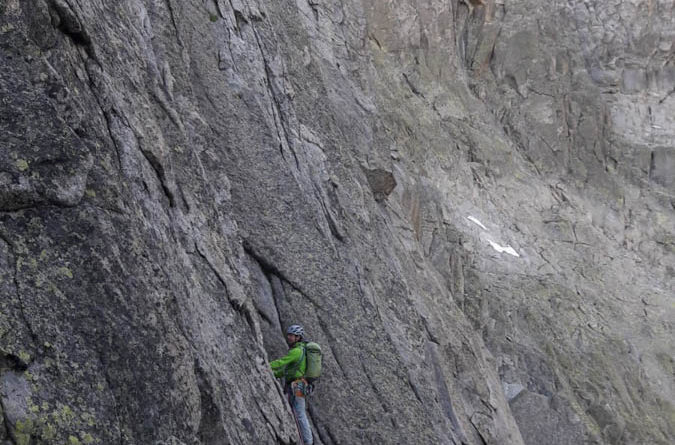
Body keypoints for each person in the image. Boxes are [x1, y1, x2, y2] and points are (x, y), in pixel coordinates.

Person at [270, 324, 313, 445]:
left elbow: (281, 362)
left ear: (298, 337)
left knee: (299, 413)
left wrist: (264, 363)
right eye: (288, 335)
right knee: (297, 412)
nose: (288, 337)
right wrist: (274, 374)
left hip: (297, 385)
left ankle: (307, 442)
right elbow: (287, 370)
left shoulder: (297, 351)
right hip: (298, 384)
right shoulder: (301, 351)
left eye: (292, 335)